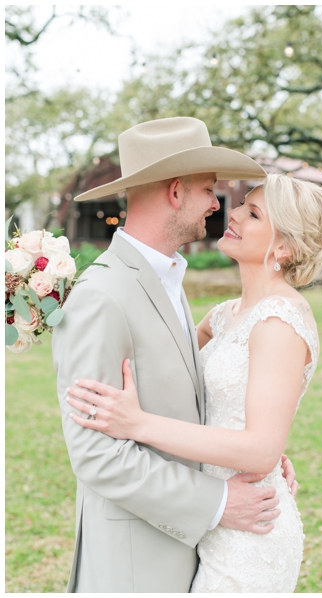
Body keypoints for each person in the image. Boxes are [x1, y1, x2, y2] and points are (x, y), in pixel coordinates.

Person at [52, 117, 299, 592]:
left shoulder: (168, 280)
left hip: (193, 555)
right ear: (176, 191)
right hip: (135, 565)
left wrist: (251, 452)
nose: (216, 204)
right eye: (209, 190)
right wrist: (218, 500)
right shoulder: (100, 295)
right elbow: (95, 455)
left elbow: (188, 395)